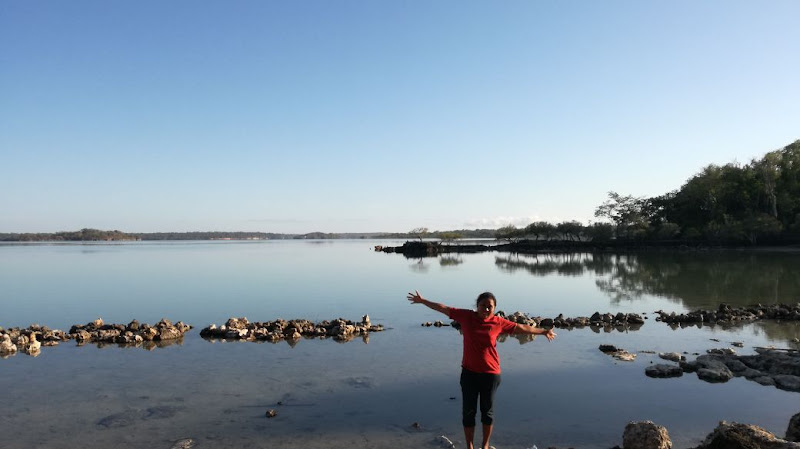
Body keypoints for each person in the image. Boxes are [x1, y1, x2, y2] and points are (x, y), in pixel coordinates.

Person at [407, 290, 556, 449]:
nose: (486, 309)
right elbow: (443, 308)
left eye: (489, 307)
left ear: (495, 308)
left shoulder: (498, 322)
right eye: (483, 306)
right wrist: (423, 301)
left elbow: (521, 328)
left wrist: (543, 331)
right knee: (468, 412)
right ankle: (469, 446)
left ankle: (485, 445)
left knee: (487, 412)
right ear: (477, 306)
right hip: (469, 373)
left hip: (490, 374)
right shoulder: (465, 316)